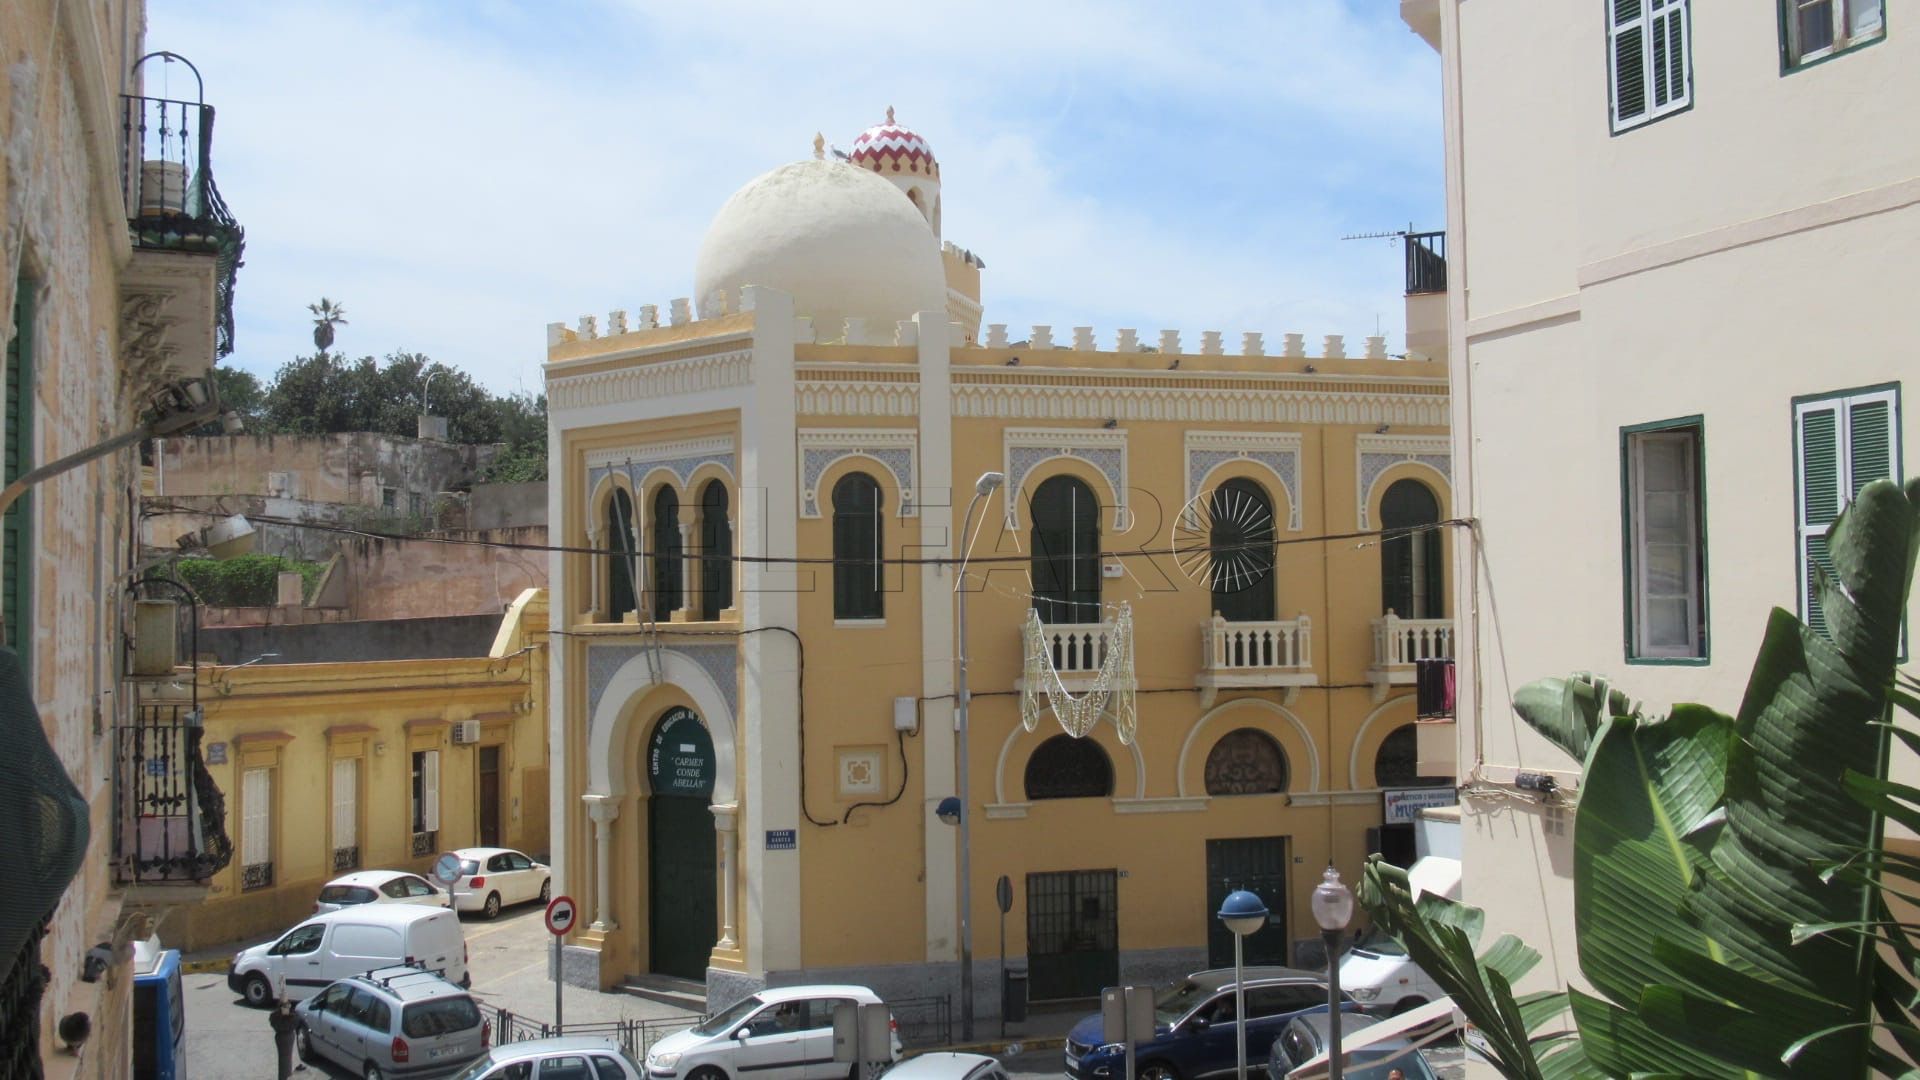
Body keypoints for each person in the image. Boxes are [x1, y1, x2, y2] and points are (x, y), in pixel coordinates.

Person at [268, 999, 305, 1077]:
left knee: (284, 1059)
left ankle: (284, 1076)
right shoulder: (289, 1018)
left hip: (281, 1037)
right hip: (286, 1037)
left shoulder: (275, 1016)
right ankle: (286, 1076)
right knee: (286, 1059)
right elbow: (296, 1021)